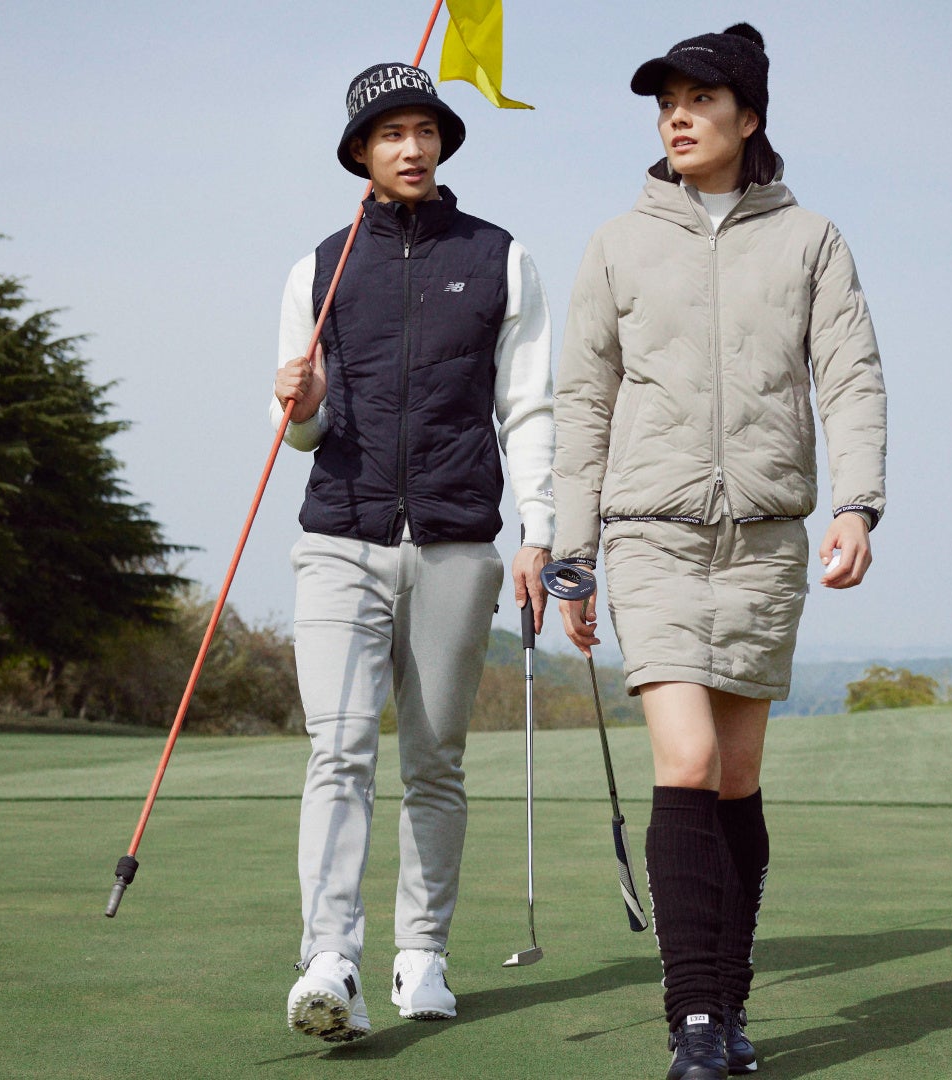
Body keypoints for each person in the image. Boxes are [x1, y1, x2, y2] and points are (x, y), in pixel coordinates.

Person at [552, 23, 888, 1080]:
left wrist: (858, 505)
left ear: (750, 116)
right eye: (667, 104)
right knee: (689, 761)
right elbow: (583, 402)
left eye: (700, 100)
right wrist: (572, 548)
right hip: (649, 535)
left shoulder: (812, 240)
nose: (679, 118)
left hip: (765, 545)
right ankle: (694, 1019)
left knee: (736, 778)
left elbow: (850, 376)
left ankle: (731, 1005)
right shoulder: (616, 244)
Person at [273, 61, 555, 1044]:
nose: (412, 146)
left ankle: (421, 952)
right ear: (361, 151)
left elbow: (528, 406)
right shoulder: (319, 266)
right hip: (338, 537)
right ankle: (331, 960)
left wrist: (541, 529)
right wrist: (302, 407)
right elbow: (300, 429)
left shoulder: (500, 257)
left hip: (456, 541)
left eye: (426, 130)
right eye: (391, 132)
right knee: (339, 749)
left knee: (436, 761)